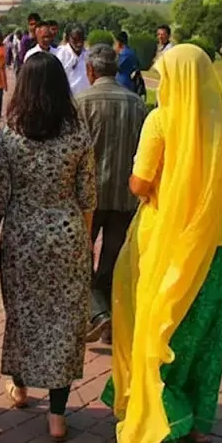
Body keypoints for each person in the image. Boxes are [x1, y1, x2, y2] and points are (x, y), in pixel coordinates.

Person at [101, 44, 222, 443]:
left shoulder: (161, 121)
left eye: (165, 74)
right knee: (204, 335)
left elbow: (140, 183)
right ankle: (198, 422)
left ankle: (165, 413)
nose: (161, 82)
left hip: (166, 241)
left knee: (159, 329)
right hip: (216, 244)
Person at [0, 52, 96, 442]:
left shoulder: (10, 134)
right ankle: (56, 414)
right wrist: (86, 243)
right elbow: (88, 196)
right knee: (65, 323)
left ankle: (18, 386)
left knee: (21, 313)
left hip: (22, 237)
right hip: (67, 233)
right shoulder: (77, 133)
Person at [75, 44, 146, 345]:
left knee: (79, 257)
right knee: (114, 259)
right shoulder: (136, 104)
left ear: (90, 70)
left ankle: (97, 312)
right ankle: (109, 317)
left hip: (88, 196)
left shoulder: (81, 102)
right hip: (125, 194)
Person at [55, 27, 90, 95]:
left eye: (81, 39)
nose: (79, 43)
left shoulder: (88, 54)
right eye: (75, 39)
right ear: (68, 39)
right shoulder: (60, 54)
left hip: (85, 97)